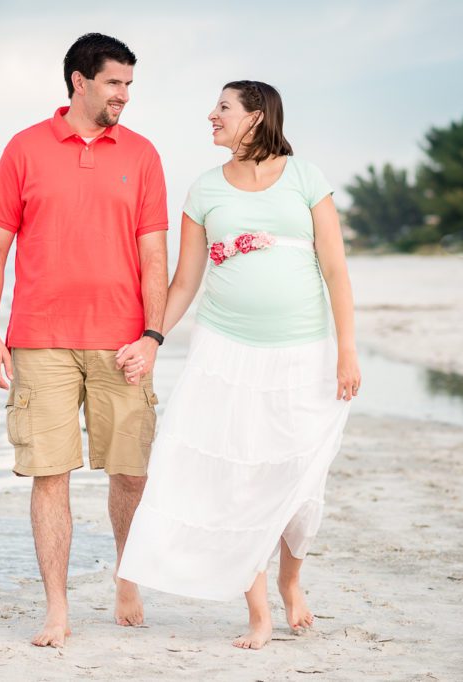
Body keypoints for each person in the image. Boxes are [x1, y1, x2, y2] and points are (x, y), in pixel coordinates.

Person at [116, 80, 360, 650]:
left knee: (300, 476)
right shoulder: (204, 190)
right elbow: (185, 281)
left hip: (304, 353)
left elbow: (336, 270)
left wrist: (347, 349)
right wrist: (152, 336)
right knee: (237, 478)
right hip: (224, 354)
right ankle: (258, 614)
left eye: (223, 108)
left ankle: (290, 580)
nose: (212, 116)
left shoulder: (305, 178)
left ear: (256, 117)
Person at [0, 33, 169, 648]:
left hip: (121, 341)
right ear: (79, 81)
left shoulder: (141, 154)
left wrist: (153, 336)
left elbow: (154, 254)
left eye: (129, 85)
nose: (125, 96)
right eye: (115, 83)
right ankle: (57, 609)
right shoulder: (24, 148)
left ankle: (125, 574)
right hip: (40, 341)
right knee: (49, 473)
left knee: (130, 472)